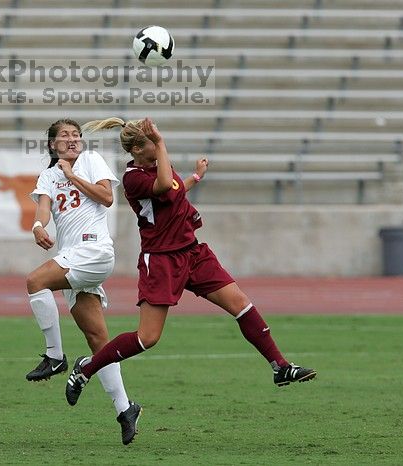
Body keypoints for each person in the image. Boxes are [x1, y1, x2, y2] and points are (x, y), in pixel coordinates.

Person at [65, 117, 317, 408]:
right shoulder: (133, 178)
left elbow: (172, 191)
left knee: (241, 305)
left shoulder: (159, 164)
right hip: (161, 261)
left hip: (193, 252)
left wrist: (195, 178)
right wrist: (160, 144)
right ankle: (86, 369)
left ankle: (280, 366)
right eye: (151, 142)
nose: (158, 145)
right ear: (136, 149)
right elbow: (162, 185)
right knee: (147, 338)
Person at [25, 119, 141, 444]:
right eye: (65, 136)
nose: (73, 139)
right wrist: (37, 227)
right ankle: (125, 409)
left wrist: (72, 176)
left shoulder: (91, 161)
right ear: (53, 145)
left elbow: (106, 197)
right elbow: (44, 209)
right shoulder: (48, 176)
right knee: (99, 342)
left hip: (95, 250)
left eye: (76, 135)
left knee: (36, 281)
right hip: (74, 257)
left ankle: (55, 357)